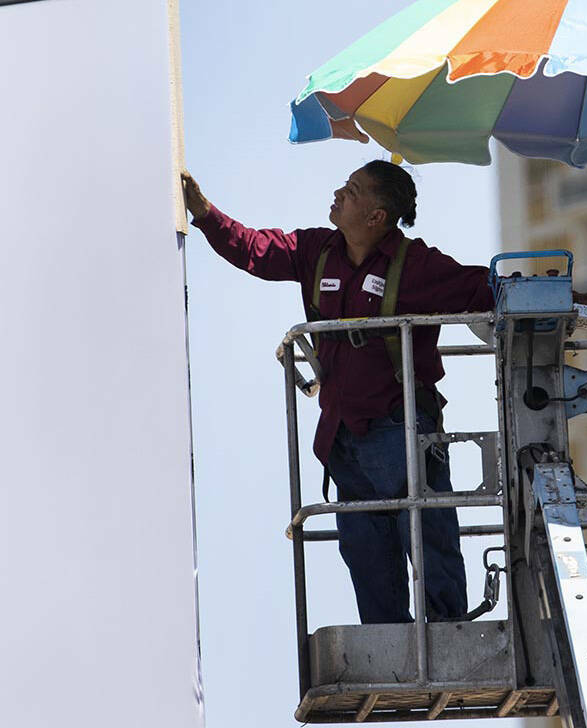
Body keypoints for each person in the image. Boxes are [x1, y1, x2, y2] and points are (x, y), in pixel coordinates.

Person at [182, 161, 493, 625]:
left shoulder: (416, 266)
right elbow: (255, 250)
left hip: (400, 429)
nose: (338, 194)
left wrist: (574, 297)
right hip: (344, 438)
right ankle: (387, 645)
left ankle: (448, 634)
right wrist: (204, 212)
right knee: (365, 552)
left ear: (376, 217)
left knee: (428, 535)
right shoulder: (317, 251)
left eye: (352, 190)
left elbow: (482, 287)